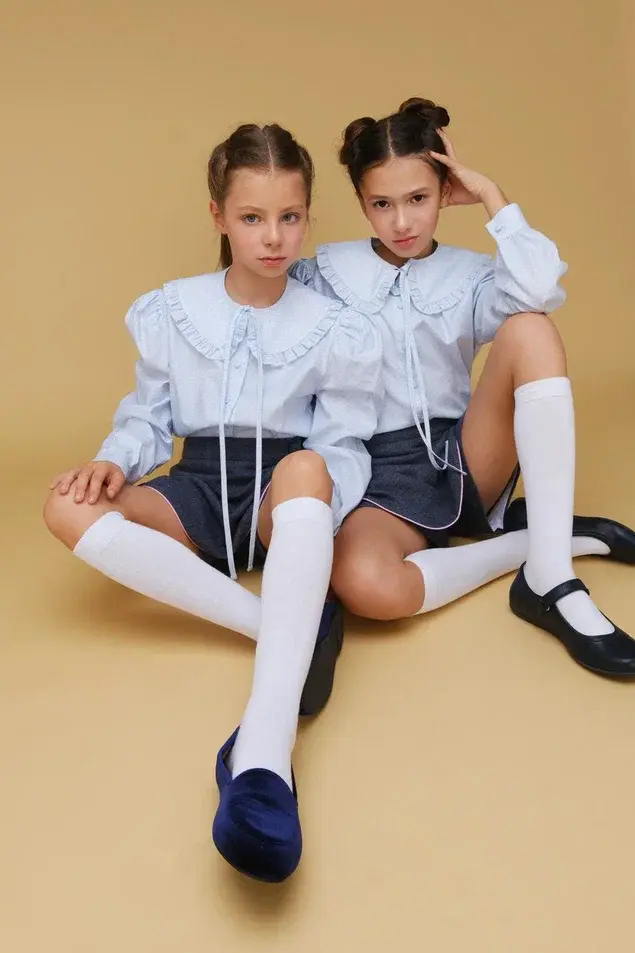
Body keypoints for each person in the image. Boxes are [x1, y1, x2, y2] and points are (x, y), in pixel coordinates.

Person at [43, 121, 383, 881]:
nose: (273, 237)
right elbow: (148, 417)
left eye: (289, 217)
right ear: (218, 217)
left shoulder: (335, 327)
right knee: (65, 505)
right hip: (197, 485)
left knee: (309, 465)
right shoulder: (172, 309)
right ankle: (287, 628)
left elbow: (342, 444)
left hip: (281, 494)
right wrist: (112, 460)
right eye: (252, 217)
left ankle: (265, 751)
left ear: (308, 216)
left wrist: (315, 502)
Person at [290, 97, 635, 677]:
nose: (402, 223)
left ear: (444, 191)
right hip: (368, 472)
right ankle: (538, 545)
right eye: (382, 204)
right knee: (366, 584)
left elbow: (539, 288)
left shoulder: (468, 274)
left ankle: (552, 577)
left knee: (530, 327)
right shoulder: (324, 275)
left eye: (419, 199)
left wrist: (492, 197)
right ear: (362, 203)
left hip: (462, 454)